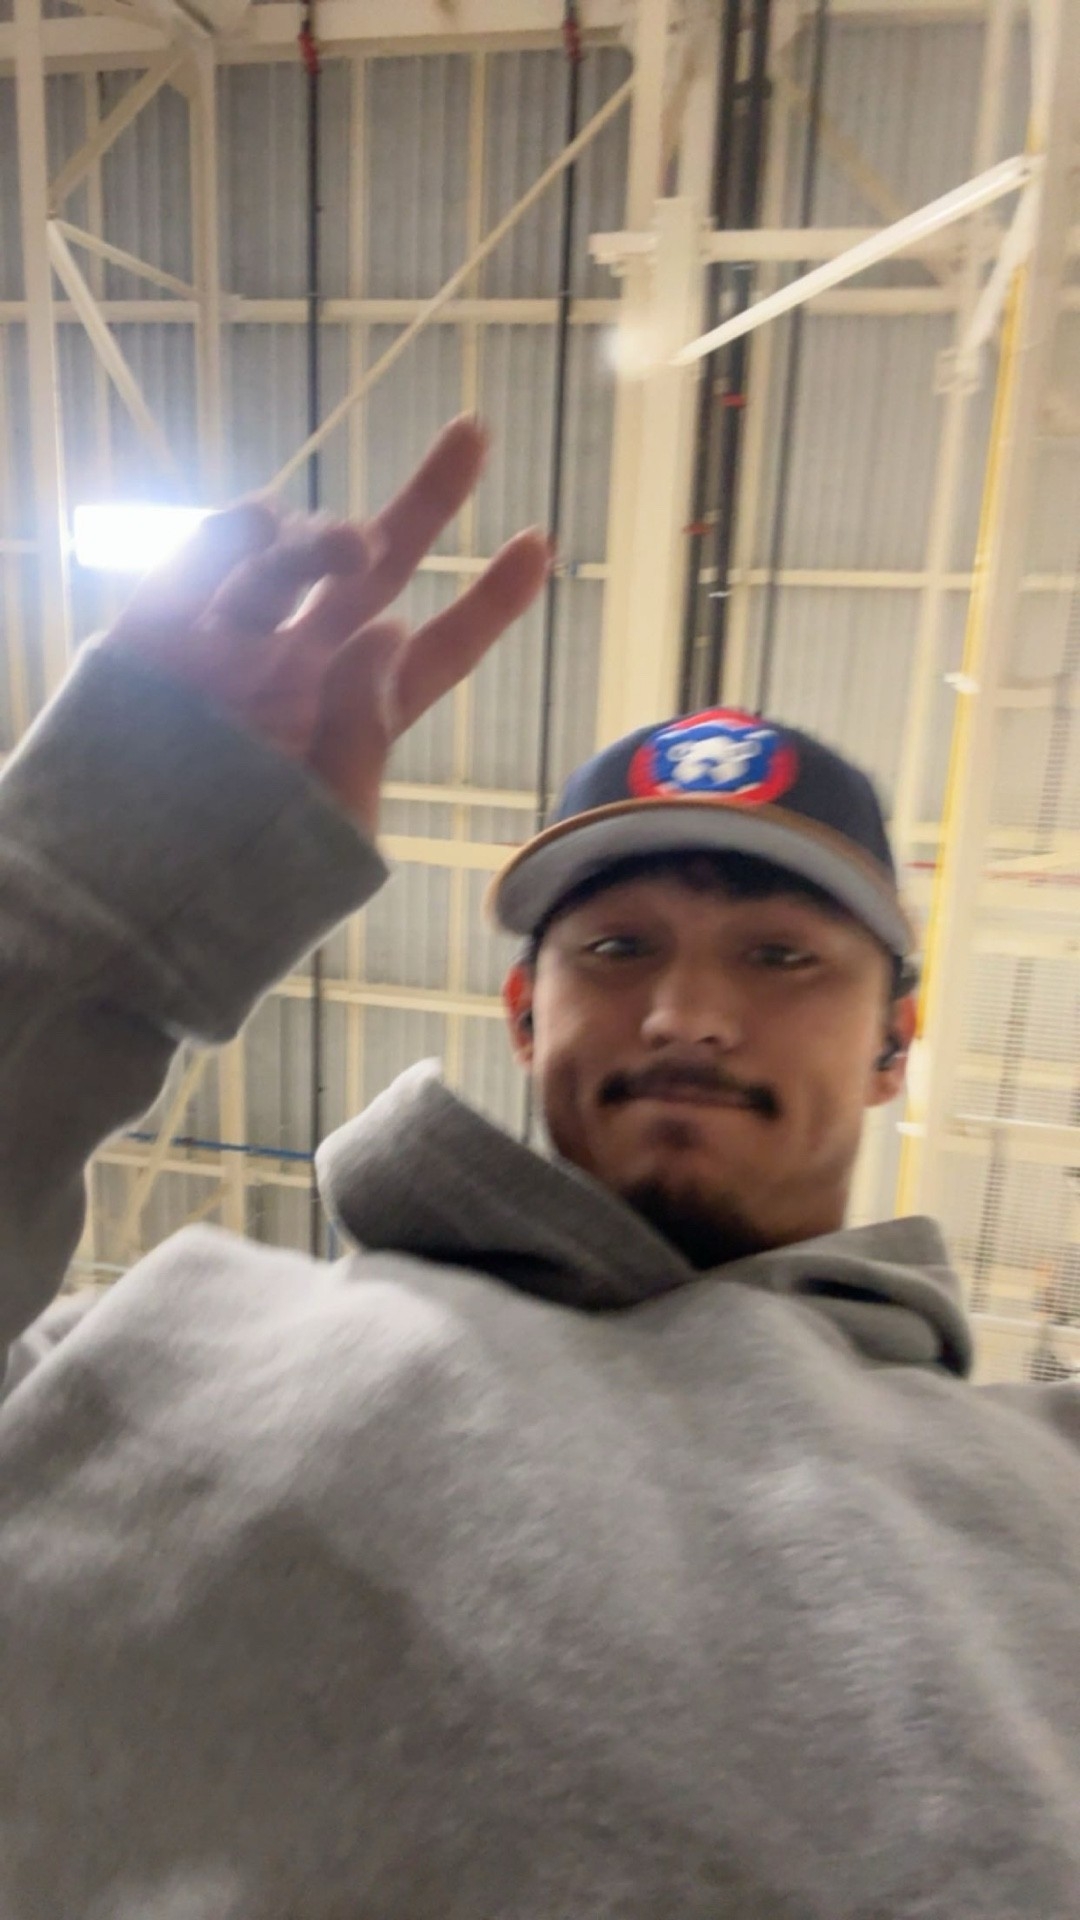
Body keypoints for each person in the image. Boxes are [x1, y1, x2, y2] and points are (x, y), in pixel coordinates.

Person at [0, 417, 1077, 1920]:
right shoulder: (171, 1344)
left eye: (781, 958)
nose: (688, 1014)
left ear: (897, 1043)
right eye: (618, 947)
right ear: (524, 1014)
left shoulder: (1054, 1481)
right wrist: (73, 896)